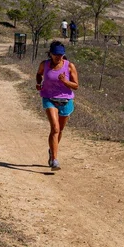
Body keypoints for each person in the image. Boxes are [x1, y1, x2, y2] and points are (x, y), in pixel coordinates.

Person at [35, 41, 79, 170]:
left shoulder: (69, 66)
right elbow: (39, 75)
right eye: (55, 54)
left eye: (60, 55)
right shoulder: (45, 64)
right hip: (49, 98)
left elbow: (76, 86)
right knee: (55, 128)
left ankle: (51, 151)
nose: (58, 57)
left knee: (60, 130)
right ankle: (54, 160)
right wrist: (39, 83)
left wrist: (65, 81)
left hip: (66, 100)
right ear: (50, 53)